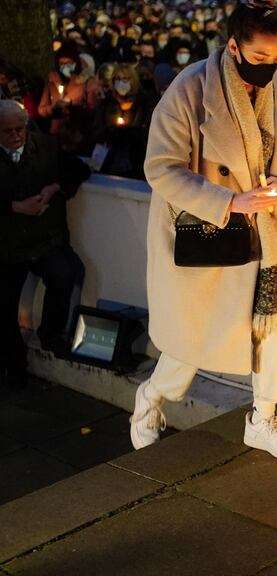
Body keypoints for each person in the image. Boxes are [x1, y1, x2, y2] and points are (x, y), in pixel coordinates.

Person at [134, 0, 277, 460]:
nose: (270, 69)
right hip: (205, 231)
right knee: (193, 337)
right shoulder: (190, 88)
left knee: (276, 323)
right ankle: (150, 399)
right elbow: (161, 168)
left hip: (265, 232)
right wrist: (230, 201)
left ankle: (263, 417)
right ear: (233, 46)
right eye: (259, 59)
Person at [2, 100, 90, 388]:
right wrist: (15, 206)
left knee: (64, 272)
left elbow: (78, 169)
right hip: (7, 243)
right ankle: (15, 365)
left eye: (20, 129)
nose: (15, 135)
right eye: (8, 131)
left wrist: (54, 188)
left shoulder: (45, 147)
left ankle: (51, 336)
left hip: (43, 238)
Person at [37, 43, 104, 156]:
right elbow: (41, 109)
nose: (65, 66)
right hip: (56, 134)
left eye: (69, 63)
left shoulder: (87, 81)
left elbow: (94, 109)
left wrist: (72, 106)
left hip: (78, 134)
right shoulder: (52, 81)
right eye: (62, 63)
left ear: (76, 63)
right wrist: (53, 109)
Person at [96, 63, 153, 179]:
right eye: (118, 79)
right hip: (109, 158)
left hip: (135, 161)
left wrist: (125, 132)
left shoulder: (142, 103)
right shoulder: (108, 102)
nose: (121, 82)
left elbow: (143, 132)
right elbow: (98, 128)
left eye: (125, 79)